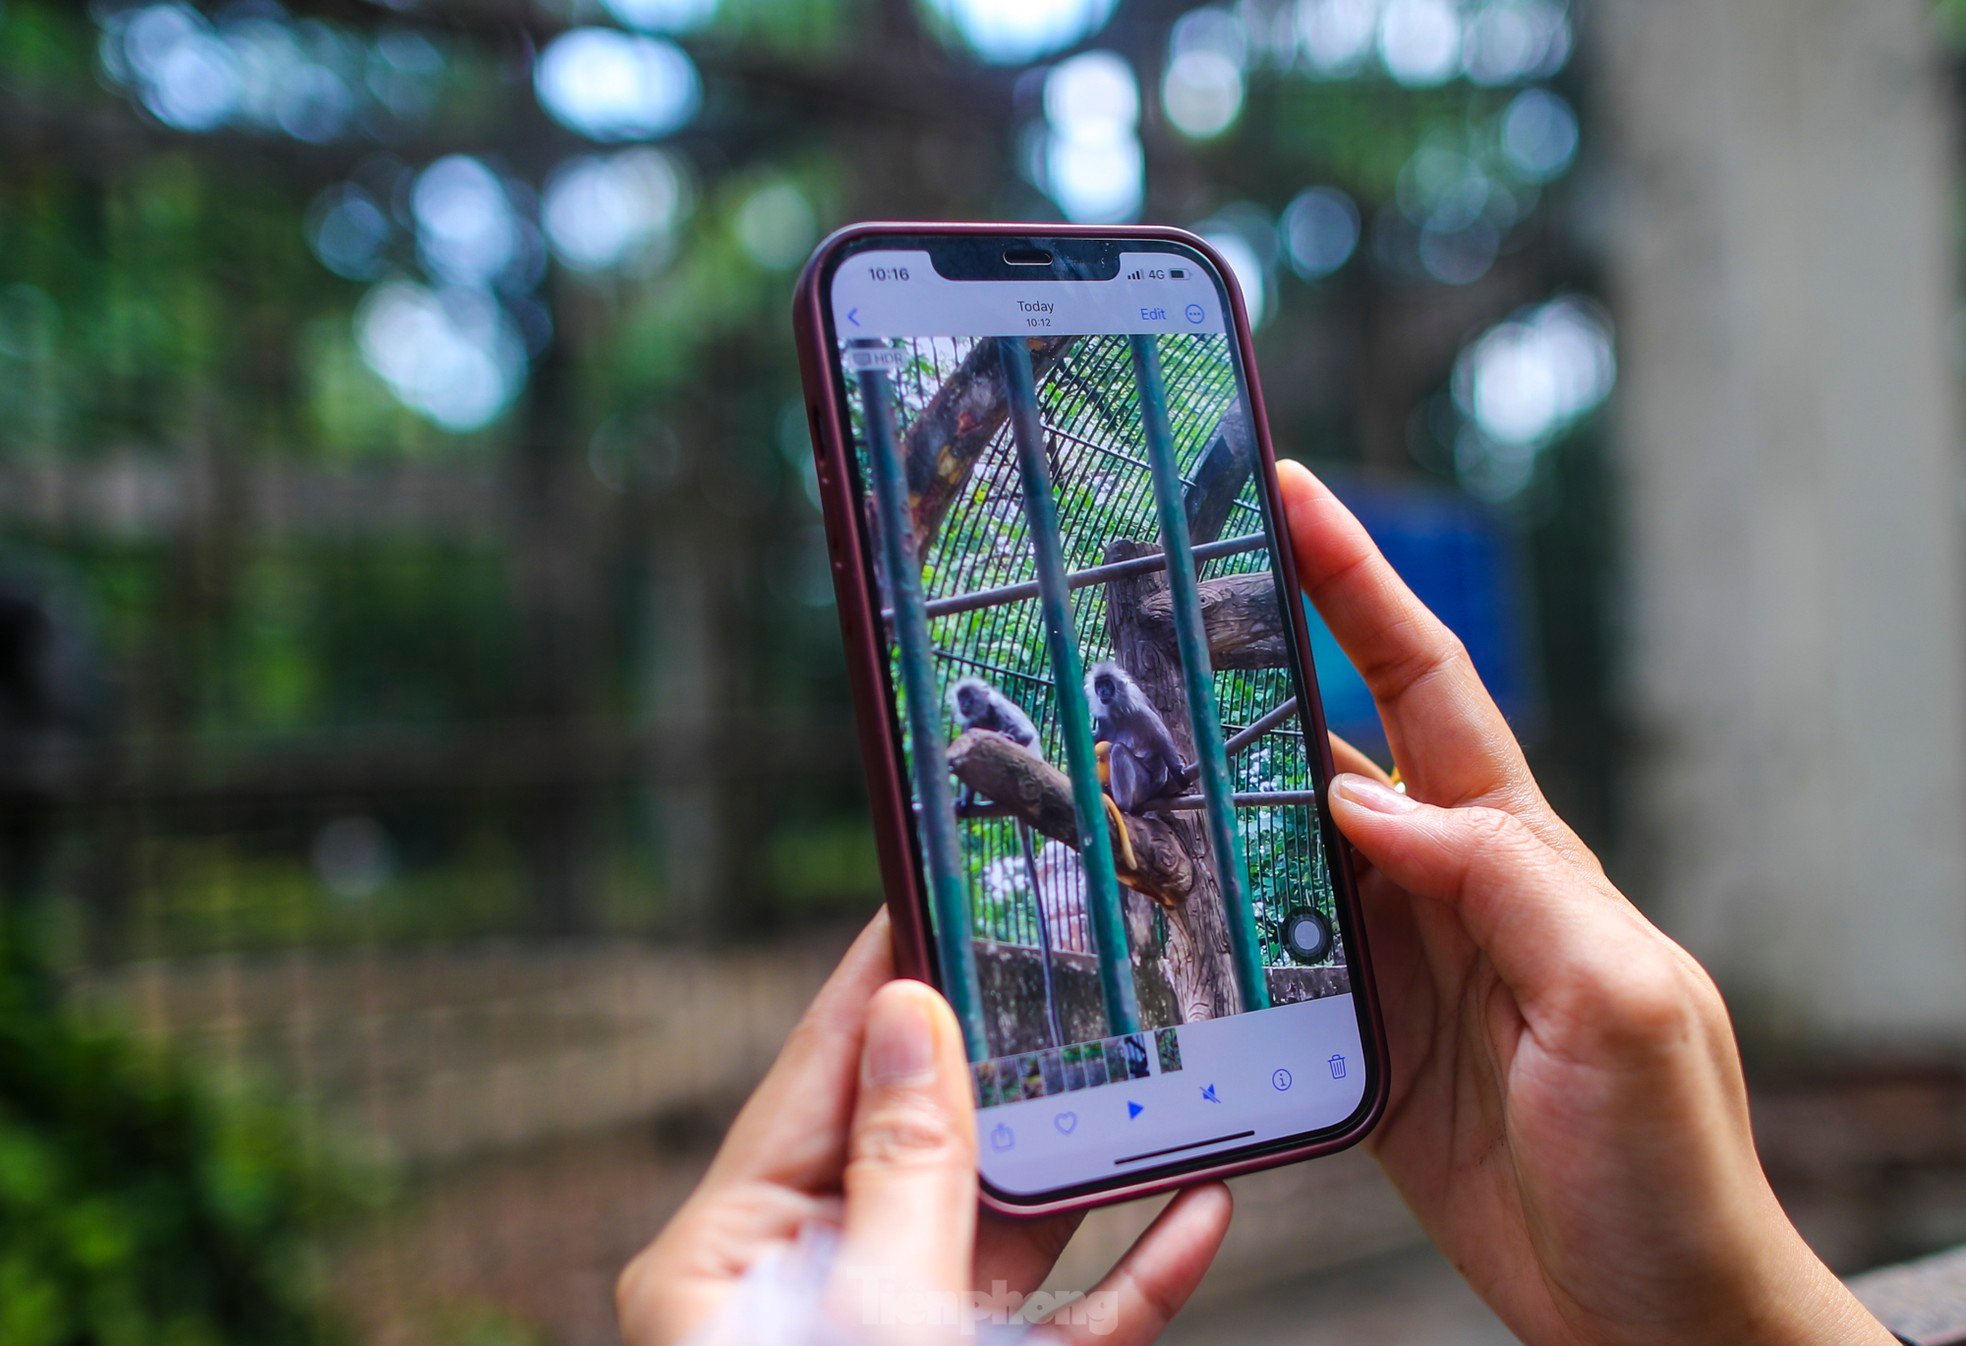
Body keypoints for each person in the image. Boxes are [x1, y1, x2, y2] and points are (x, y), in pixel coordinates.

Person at [616, 462, 1899, 1346]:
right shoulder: (1101, 740)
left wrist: (1715, 1315)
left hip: (1165, 814)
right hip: (1143, 824)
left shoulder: (1146, 711)